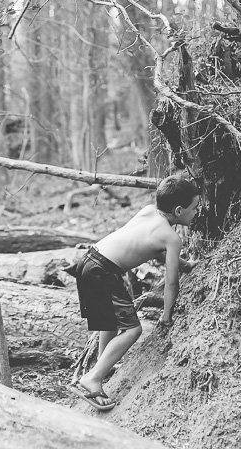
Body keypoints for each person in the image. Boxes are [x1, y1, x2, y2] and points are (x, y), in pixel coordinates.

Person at [71, 175, 201, 411]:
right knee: (132, 329)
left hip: (89, 260)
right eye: (194, 209)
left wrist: (185, 264)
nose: (196, 213)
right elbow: (171, 283)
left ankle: (102, 368)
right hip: (104, 271)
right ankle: (93, 378)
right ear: (179, 210)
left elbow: (155, 248)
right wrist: (167, 316)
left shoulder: (149, 210)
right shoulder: (172, 237)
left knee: (108, 323)